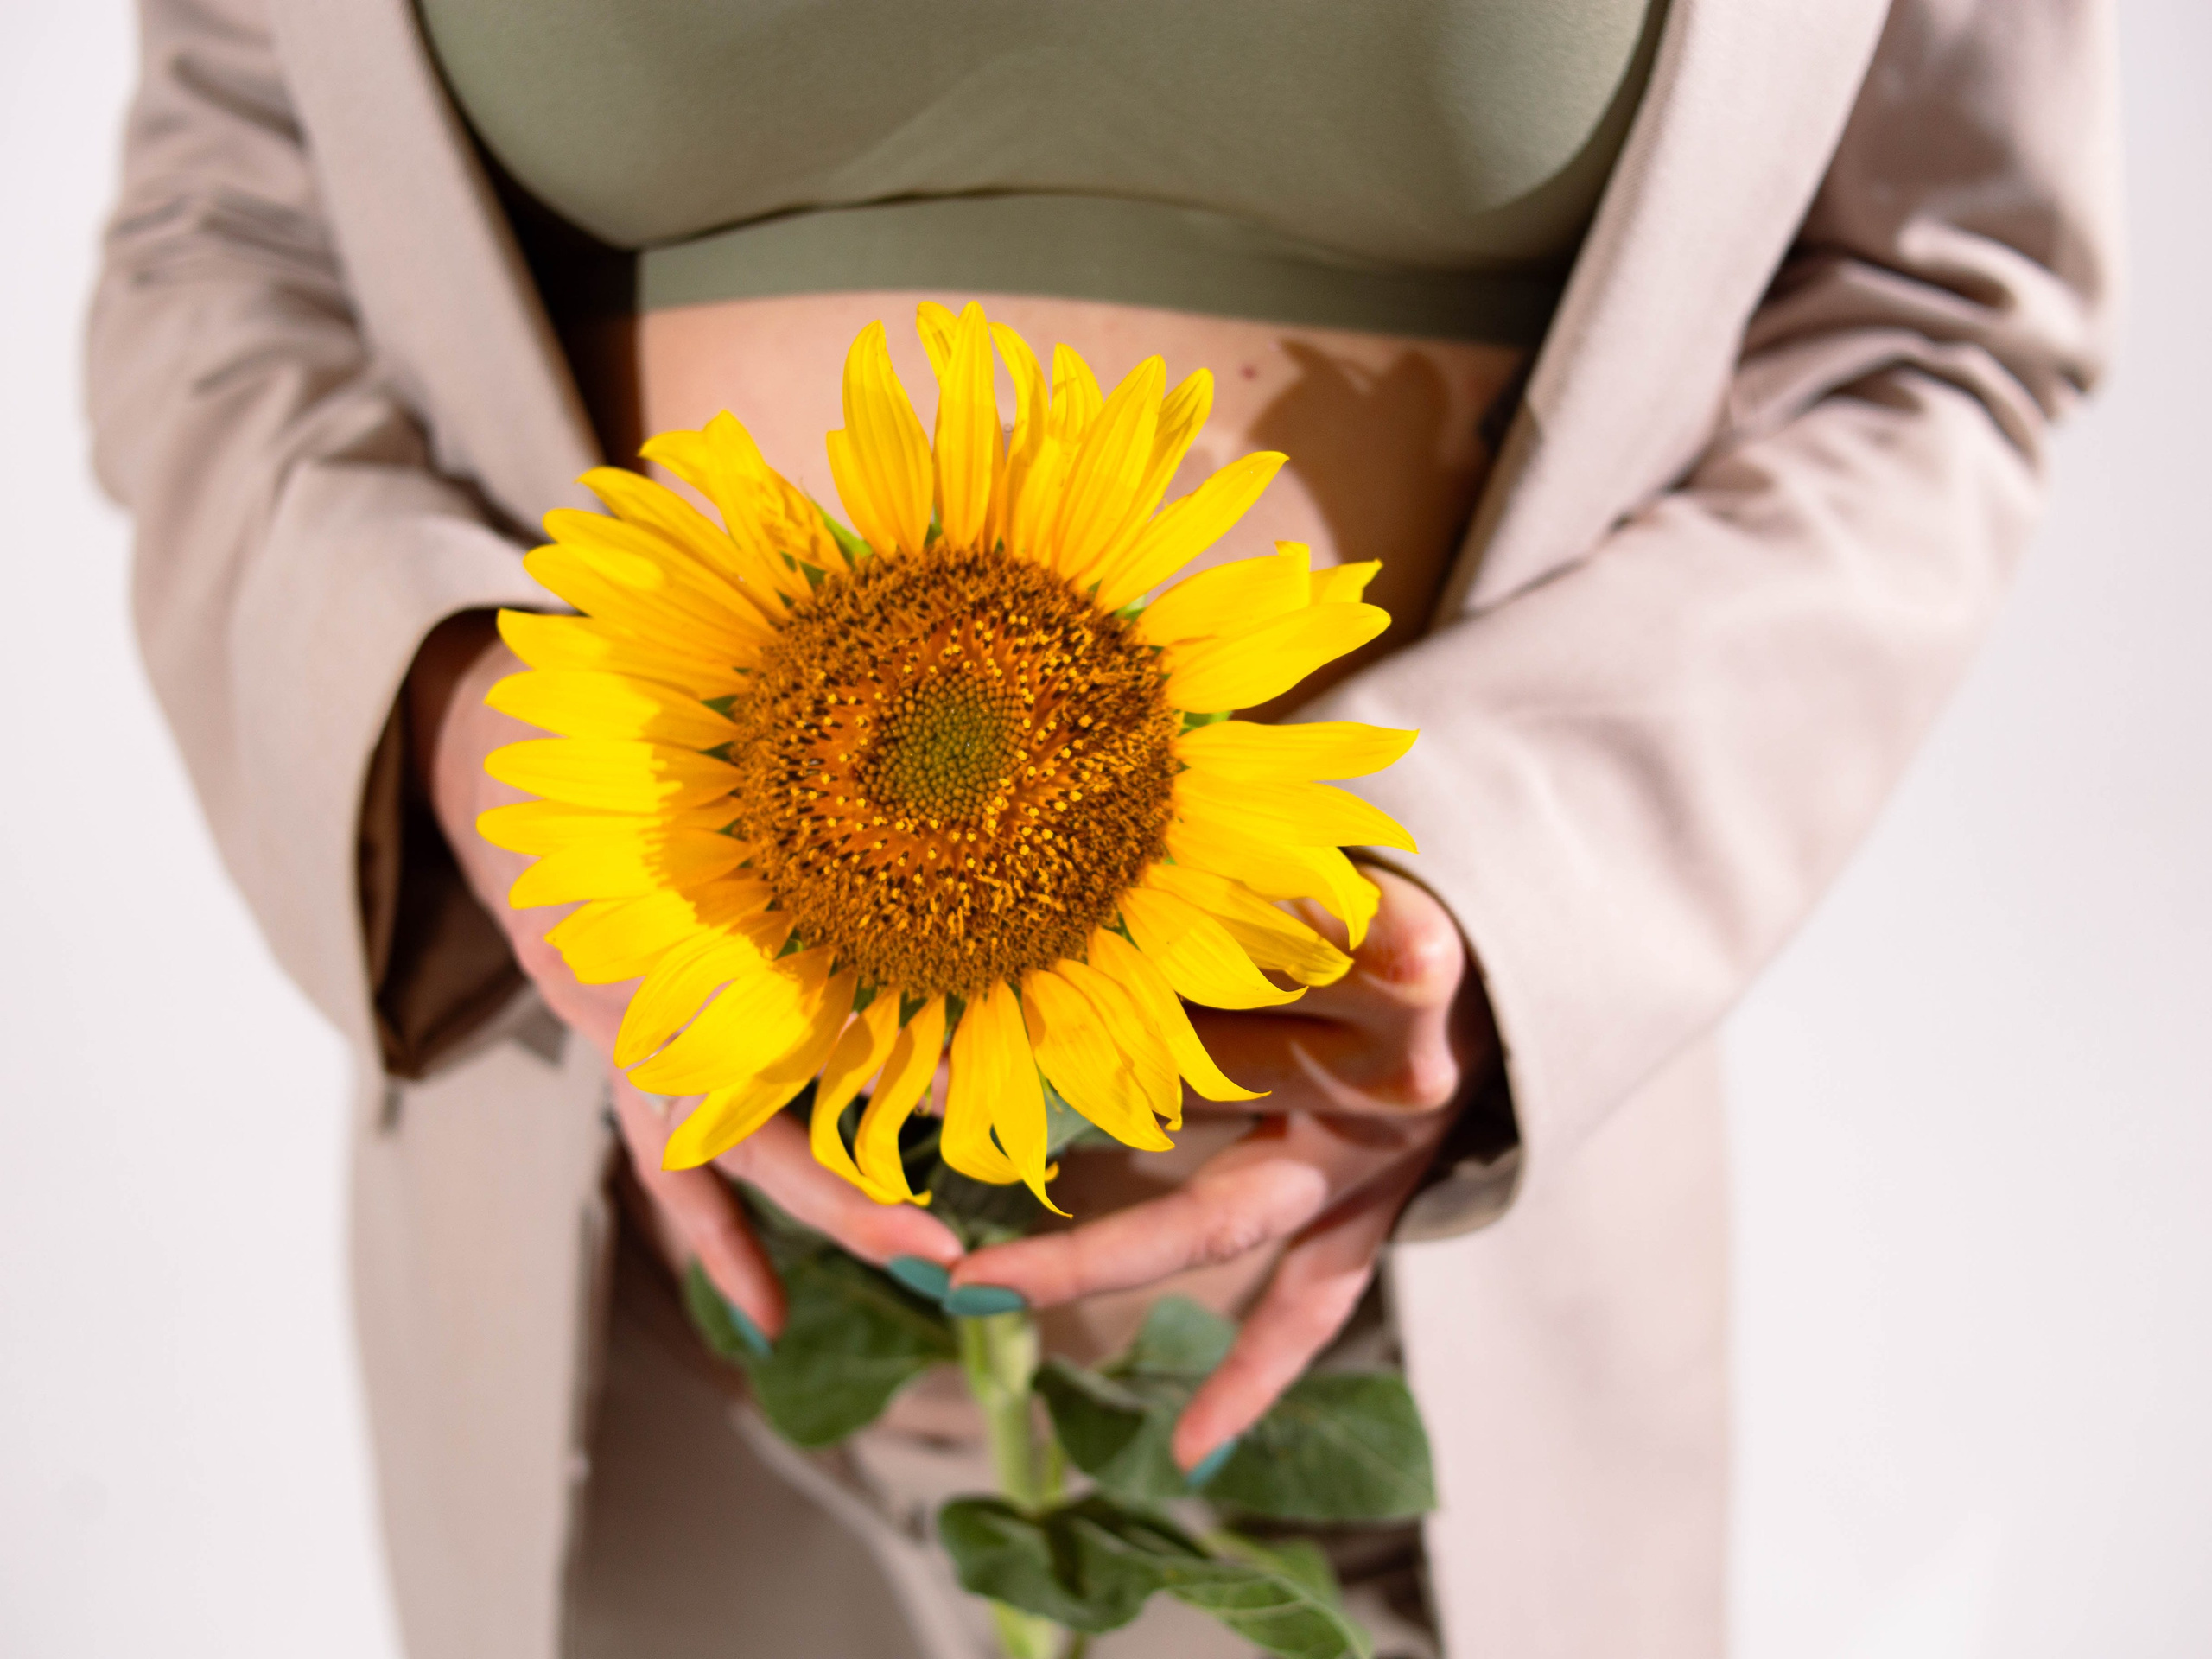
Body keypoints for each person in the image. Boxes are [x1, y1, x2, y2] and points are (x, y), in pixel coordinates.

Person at [86, 2, 2117, 1655]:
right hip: (642, 1231)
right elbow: (224, 246)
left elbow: (1935, 306)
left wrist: (1508, 881)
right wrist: (462, 727)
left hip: (1390, 1248)